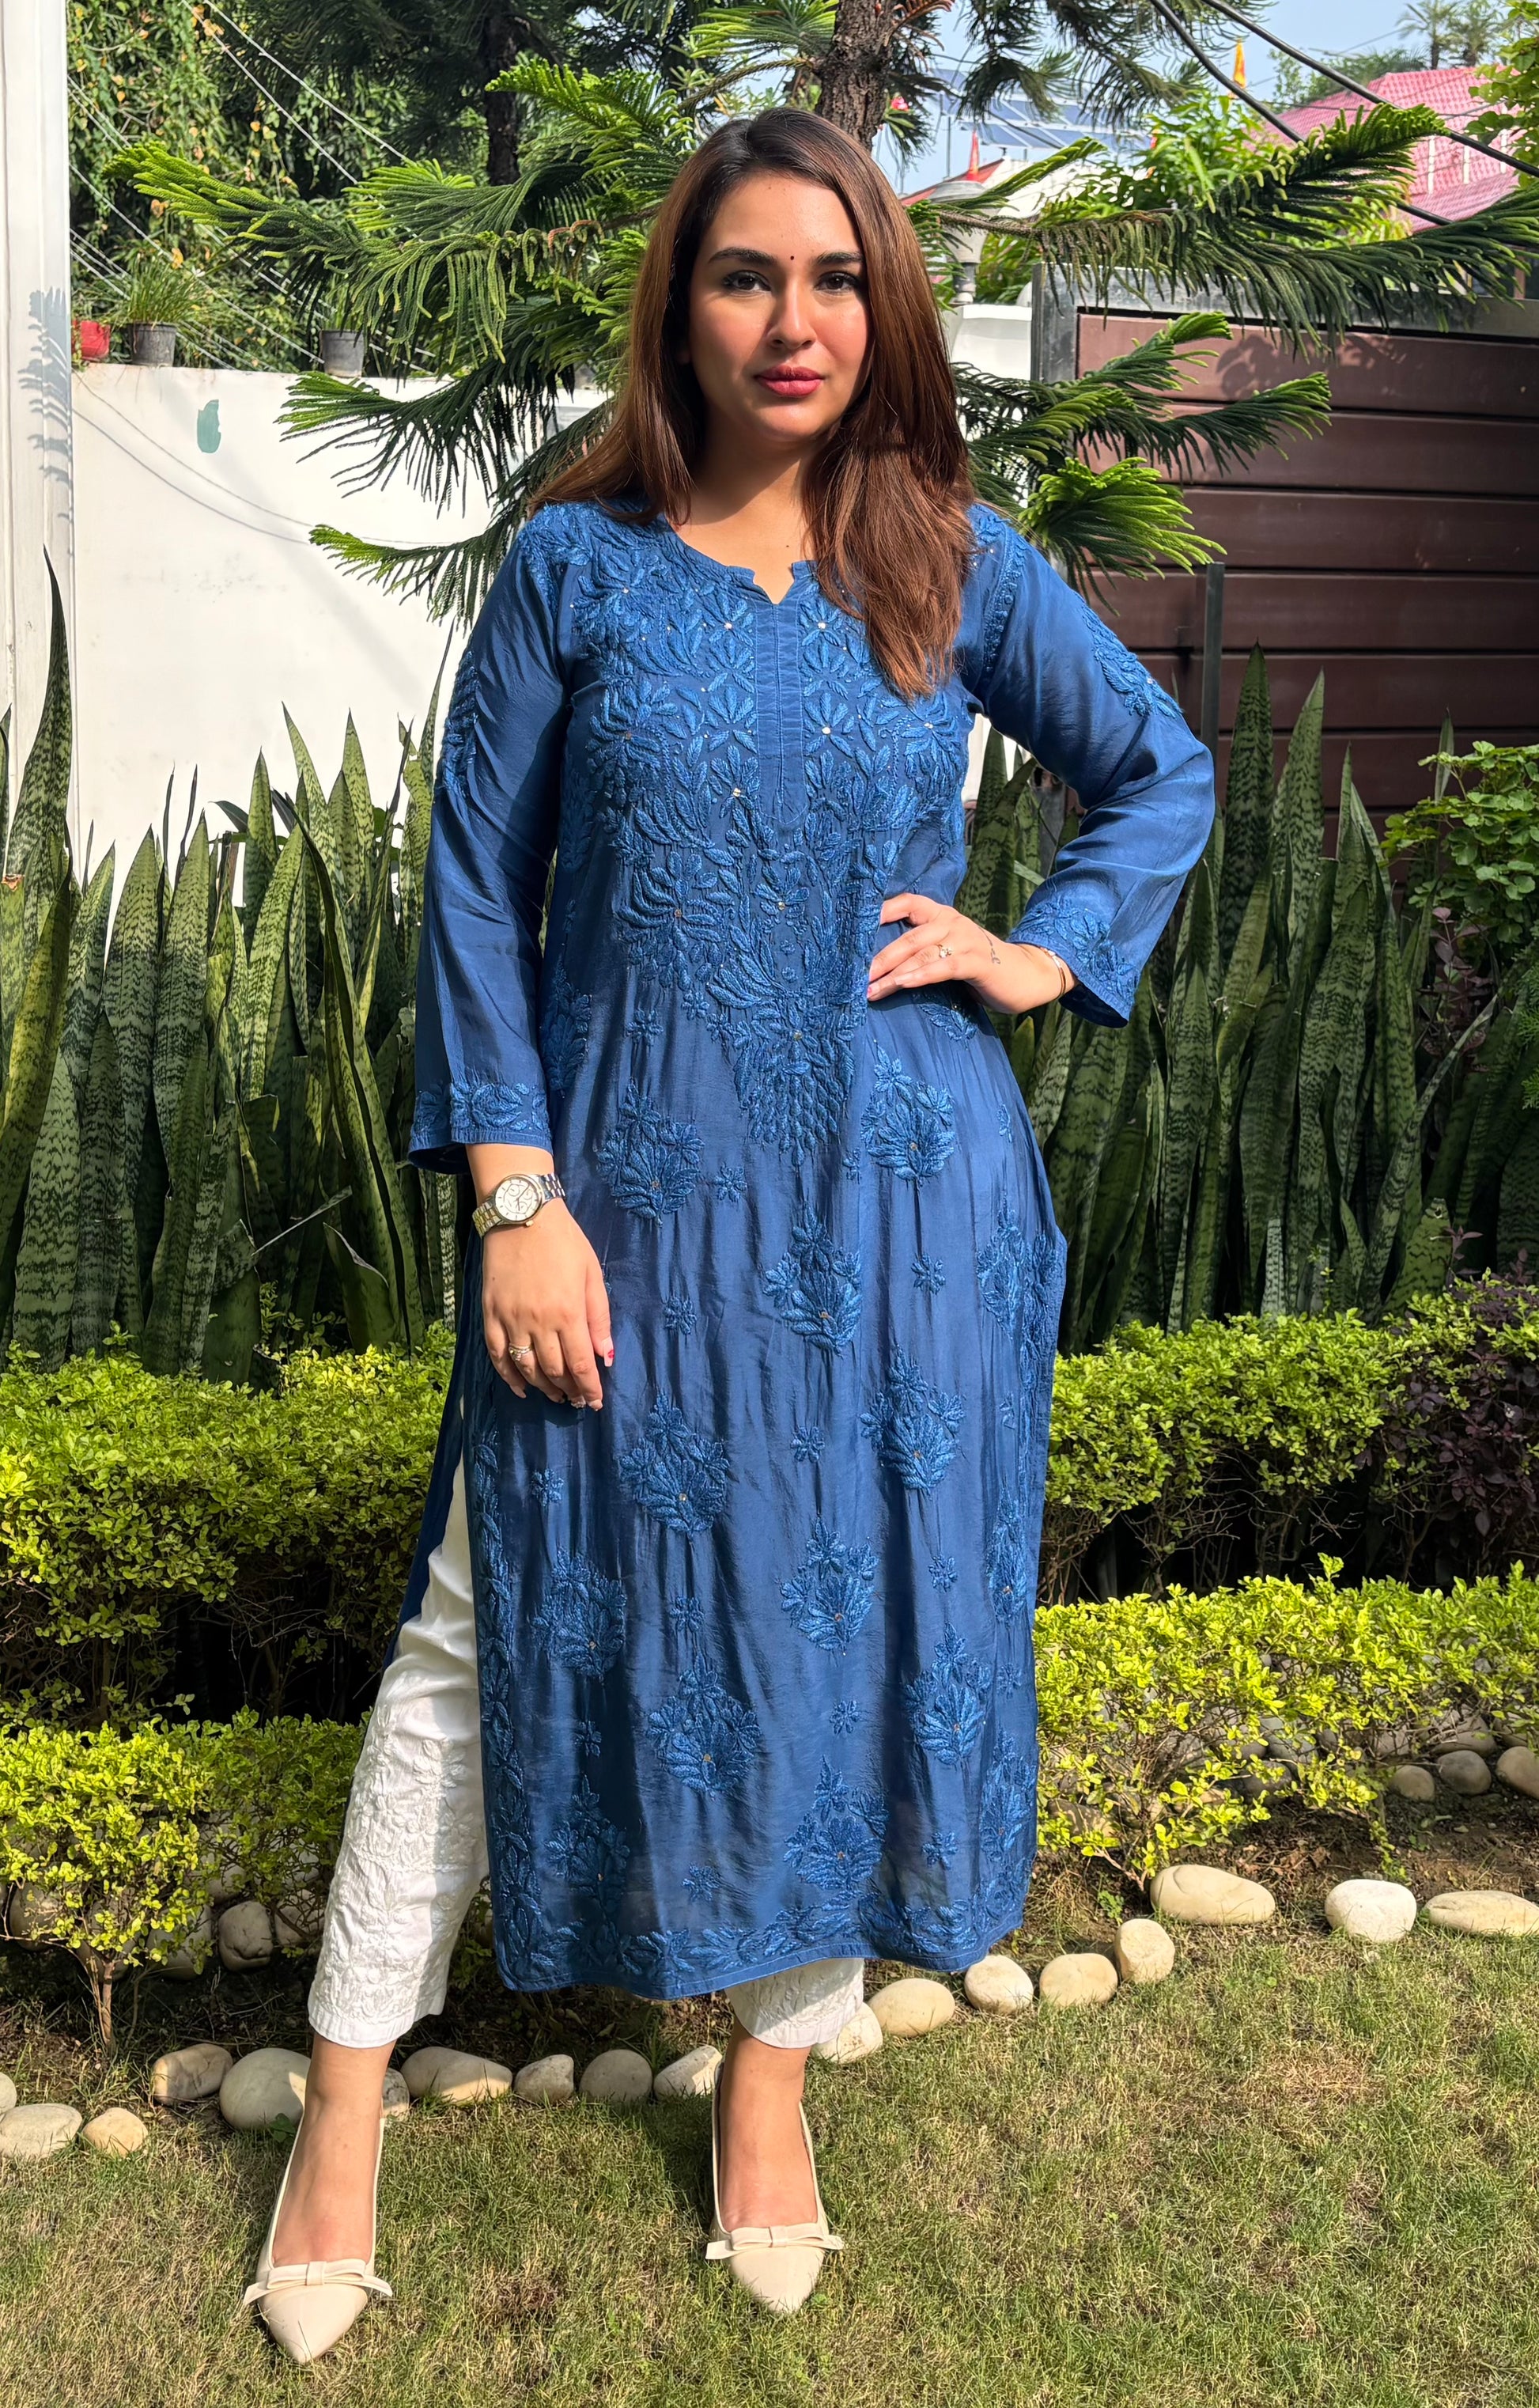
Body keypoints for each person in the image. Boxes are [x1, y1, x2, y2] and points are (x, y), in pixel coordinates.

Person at [242, 104, 1214, 2362]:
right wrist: (516, 1195)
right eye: (749, 274)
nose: (796, 320)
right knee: (480, 1630)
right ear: (679, 304)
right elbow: (471, 892)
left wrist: (1040, 948)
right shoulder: (577, 568)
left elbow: (1155, 766)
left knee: (839, 1623)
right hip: (621, 1198)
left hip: (896, 1208)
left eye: (838, 276)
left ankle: (768, 2090)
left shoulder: (946, 559)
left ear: (889, 306)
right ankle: (341, 2116)